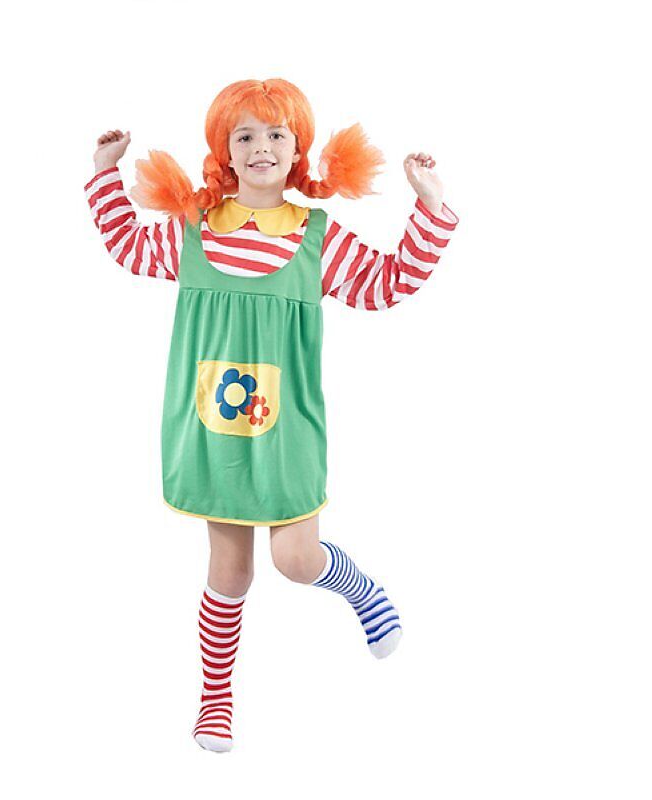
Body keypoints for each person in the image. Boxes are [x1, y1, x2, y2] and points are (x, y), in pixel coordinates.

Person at [84, 78, 459, 753]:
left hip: (288, 432)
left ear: (297, 149)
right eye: (245, 135)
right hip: (211, 429)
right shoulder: (194, 230)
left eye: (276, 134)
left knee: (295, 558)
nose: (262, 147)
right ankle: (215, 700)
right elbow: (128, 246)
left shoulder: (317, 238)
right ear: (225, 151)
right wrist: (104, 172)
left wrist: (429, 208)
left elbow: (386, 285)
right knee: (229, 573)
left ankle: (361, 591)